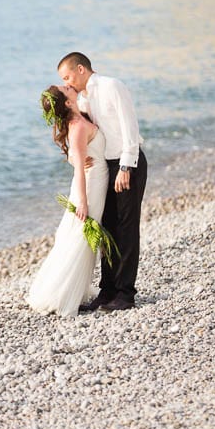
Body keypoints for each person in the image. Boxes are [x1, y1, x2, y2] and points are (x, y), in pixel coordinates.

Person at [58, 52, 147, 312]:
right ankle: (106, 291)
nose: (68, 82)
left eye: (67, 76)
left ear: (81, 69)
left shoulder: (112, 86)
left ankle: (125, 294)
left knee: (126, 230)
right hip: (104, 168)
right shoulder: (83, 99)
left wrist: (126, 167)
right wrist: (78, 160)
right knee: (107, 229)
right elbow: (80, 133)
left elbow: (130, 128)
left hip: (126, 164)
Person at [27, 85, 109, 317]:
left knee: (79, 235)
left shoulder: (79, 118)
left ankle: (74, 288)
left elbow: (77, 156)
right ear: (66, 103)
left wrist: (75, 159)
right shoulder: (79, 127)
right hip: (90, 185)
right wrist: (82, 202)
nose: (68, 85)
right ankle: (62, 293)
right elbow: (80, 171)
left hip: (97, 179)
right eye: (65, 88)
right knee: (81, 236)